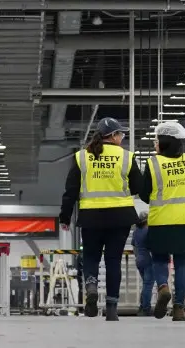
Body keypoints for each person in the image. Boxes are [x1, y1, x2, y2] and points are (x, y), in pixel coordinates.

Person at [60, 117, 143, 321]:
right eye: (120, 134)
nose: (122, 137)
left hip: (91, 216)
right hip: (120, 217)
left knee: (91, 257)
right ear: (113, 136)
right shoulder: (126, 157)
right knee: (113, 260)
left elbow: (70, 191)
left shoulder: (82, 157)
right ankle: (112, 309)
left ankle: (90, 285)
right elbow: (139, 187)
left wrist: (65, 217)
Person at [139, 120, 185, 322]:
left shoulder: (153, 163)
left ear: (163, 141)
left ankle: (163, 287)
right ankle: (179, 307)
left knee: (160, 258)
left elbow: (143, 194)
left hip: (161, 221)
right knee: (182, 263)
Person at [133, 214, 153, 315]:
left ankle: (142, 306)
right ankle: (146, 308)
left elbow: (134, 246)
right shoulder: (148, 231)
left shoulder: (136, 231)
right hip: (148, 259)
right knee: (148, 285)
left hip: (139, 260)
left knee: (145, 284)